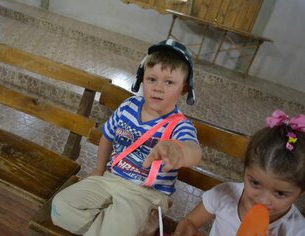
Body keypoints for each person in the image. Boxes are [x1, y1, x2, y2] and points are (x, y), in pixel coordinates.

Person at [50, 39, 202, 236]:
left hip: (145, 194)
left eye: (169, 82)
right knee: (59, 208)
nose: (158, 88)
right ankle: (132, 227)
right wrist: (99, 168)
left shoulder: (179, 126)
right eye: (152, 79)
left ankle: (126, 225)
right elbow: (107, 136)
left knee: (114, 229)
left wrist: (180, 151)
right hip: (111, 179)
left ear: (183, 89)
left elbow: (194, 150)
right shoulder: (128, 106)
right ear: (141, 78)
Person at [174, 110, 305, 236]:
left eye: (280, 193)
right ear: (246, 169)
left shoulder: (297, 229)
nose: (263, 200)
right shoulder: (224, 194)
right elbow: (190, 222)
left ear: (301, 192)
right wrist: (185, 230)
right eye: (255, 183)